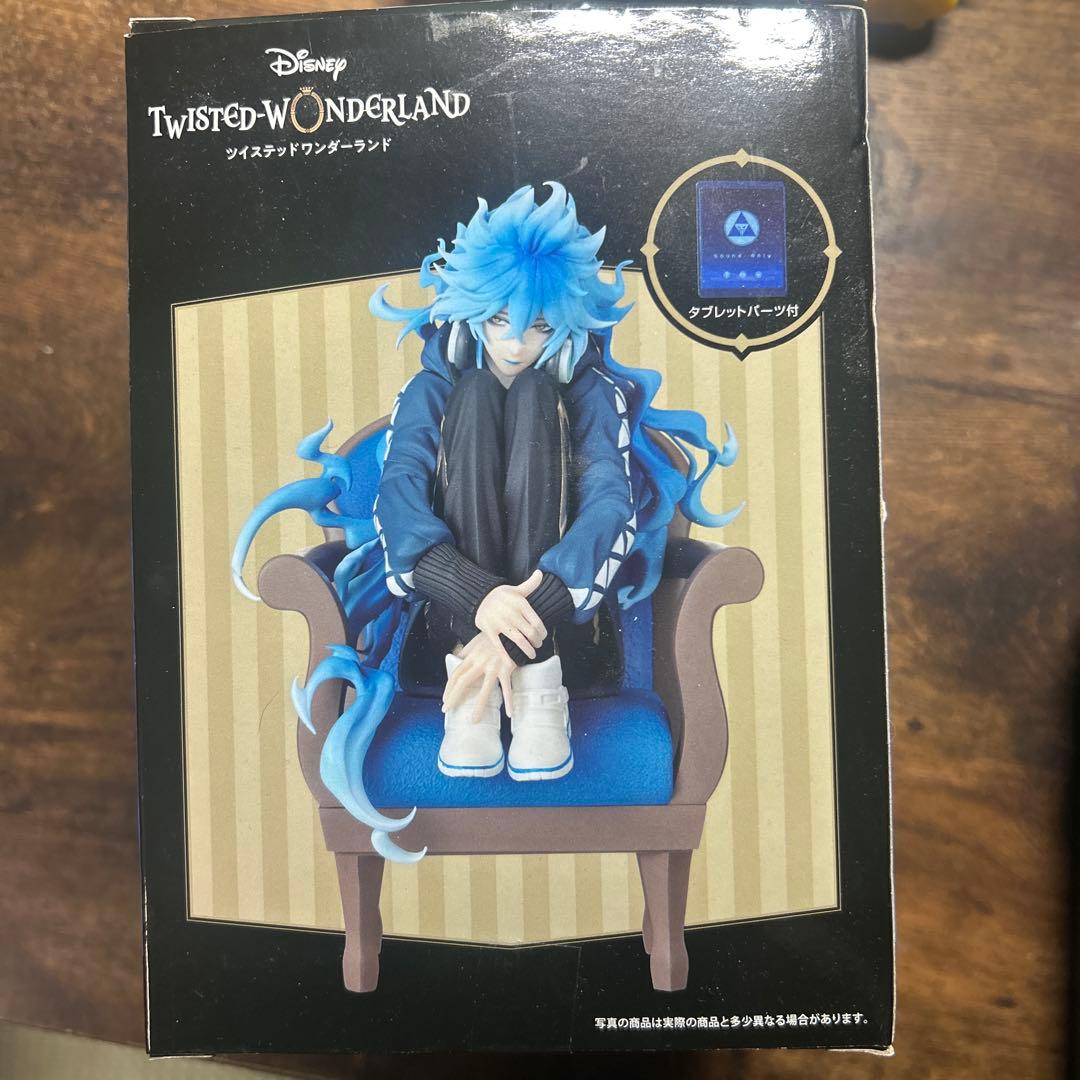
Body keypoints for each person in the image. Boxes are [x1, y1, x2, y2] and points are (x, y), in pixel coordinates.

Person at [368, 182, 738, 782]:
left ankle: (536, 680)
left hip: (567, 637)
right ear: (471, 314)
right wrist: (477, 598)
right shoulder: (430, 390)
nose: (515, 343)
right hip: (448, 631)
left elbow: (610, 507)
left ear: (565, 323)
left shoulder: (592, 393)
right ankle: (471, 680)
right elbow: (398, 497)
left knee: (538, 393)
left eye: (538, 326)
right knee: (475, 393)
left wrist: (517, 631)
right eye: (498, 321)